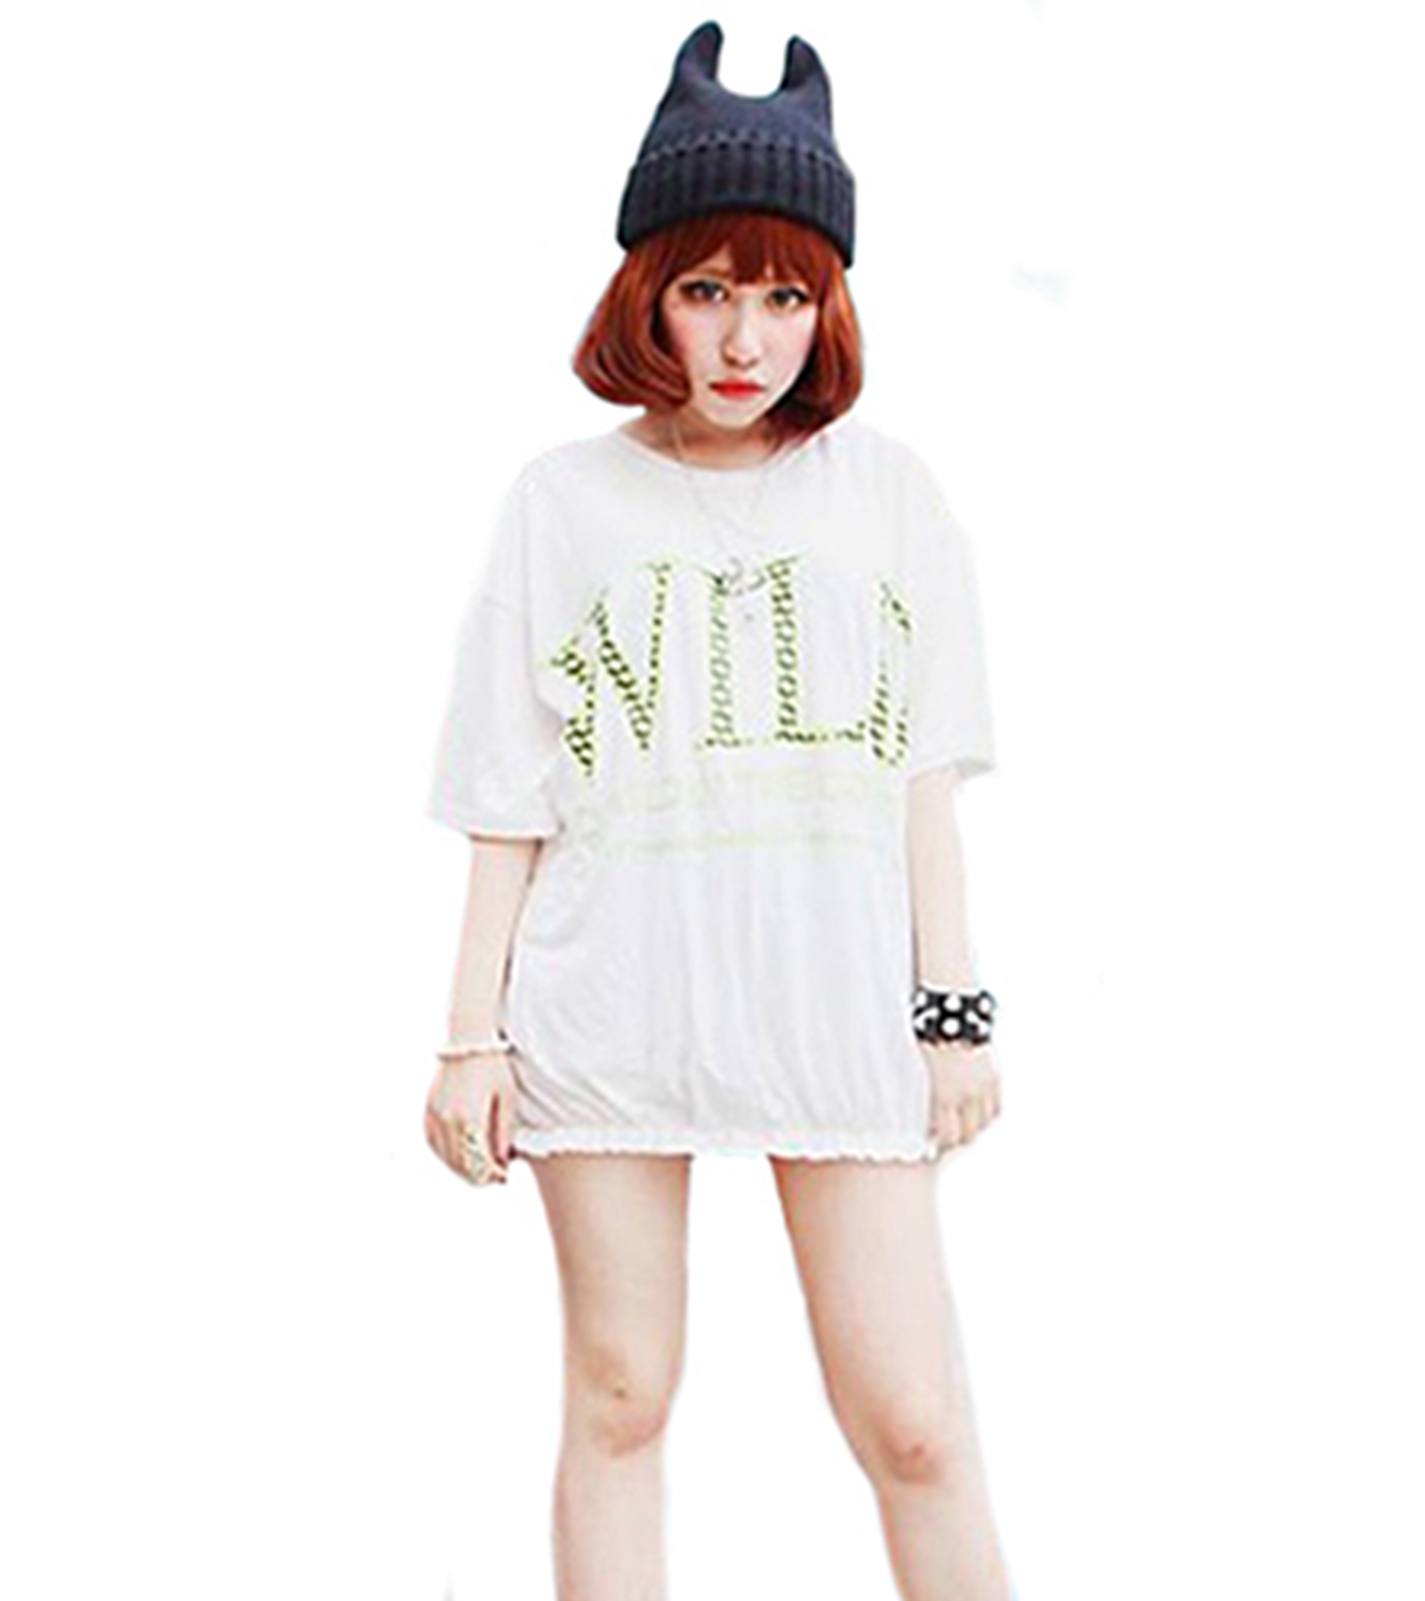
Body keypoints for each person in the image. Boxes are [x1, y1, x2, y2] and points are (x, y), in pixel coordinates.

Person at [422, 21, 1016, 1601]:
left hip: (834, 1007)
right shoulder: (563, 501)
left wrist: (951, 1013)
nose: (745, 339)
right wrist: (468, 1036)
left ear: (828, 308)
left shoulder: (888, 494)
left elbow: (925, 782)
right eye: (705, 290)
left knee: (912, 1419)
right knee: (620, 1392)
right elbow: (506, 792)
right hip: (613, 1003)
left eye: (784, 296)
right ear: (646, 295)